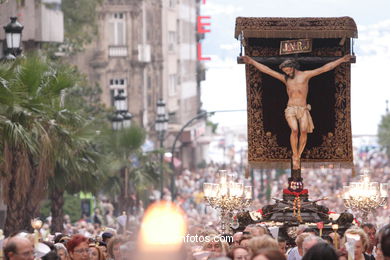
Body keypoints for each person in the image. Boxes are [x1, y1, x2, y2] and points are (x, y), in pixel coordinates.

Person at [242, 54, 352, 169]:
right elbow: (268, 71)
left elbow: (325, 68)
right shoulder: (285, 78)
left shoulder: (305, 75)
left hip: (303, 109)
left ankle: (298, 155)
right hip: (291, 109)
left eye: (288, 70)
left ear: (293, 67)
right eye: (285, 71)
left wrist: (342, 60)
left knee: (303, 131)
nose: (287, 73)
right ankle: (294, 154)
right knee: (294, 129)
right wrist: (251, 61)